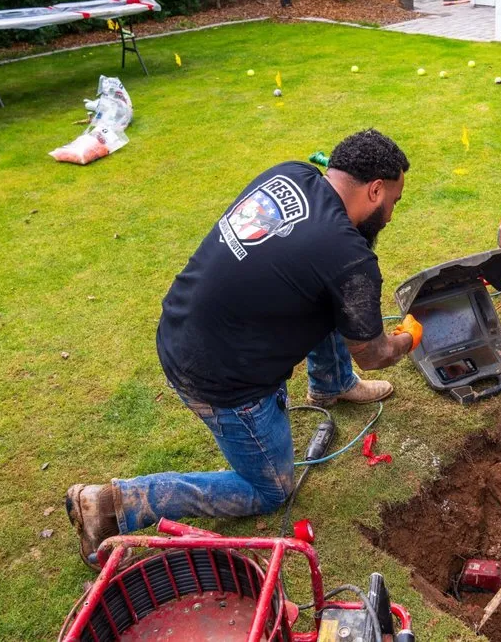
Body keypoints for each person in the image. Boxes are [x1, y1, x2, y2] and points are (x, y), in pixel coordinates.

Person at [66, 129, 422, 568]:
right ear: (374, 190)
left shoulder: (289, 175)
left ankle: (332, 384)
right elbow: (371, 350)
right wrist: (407, 340)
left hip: (181, 325)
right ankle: (110, 504)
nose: (389, 216)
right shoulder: (348, 258)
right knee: (270, 488)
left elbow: (318, 285)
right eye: (393, 203)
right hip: (219, 378)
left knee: (336, 300)